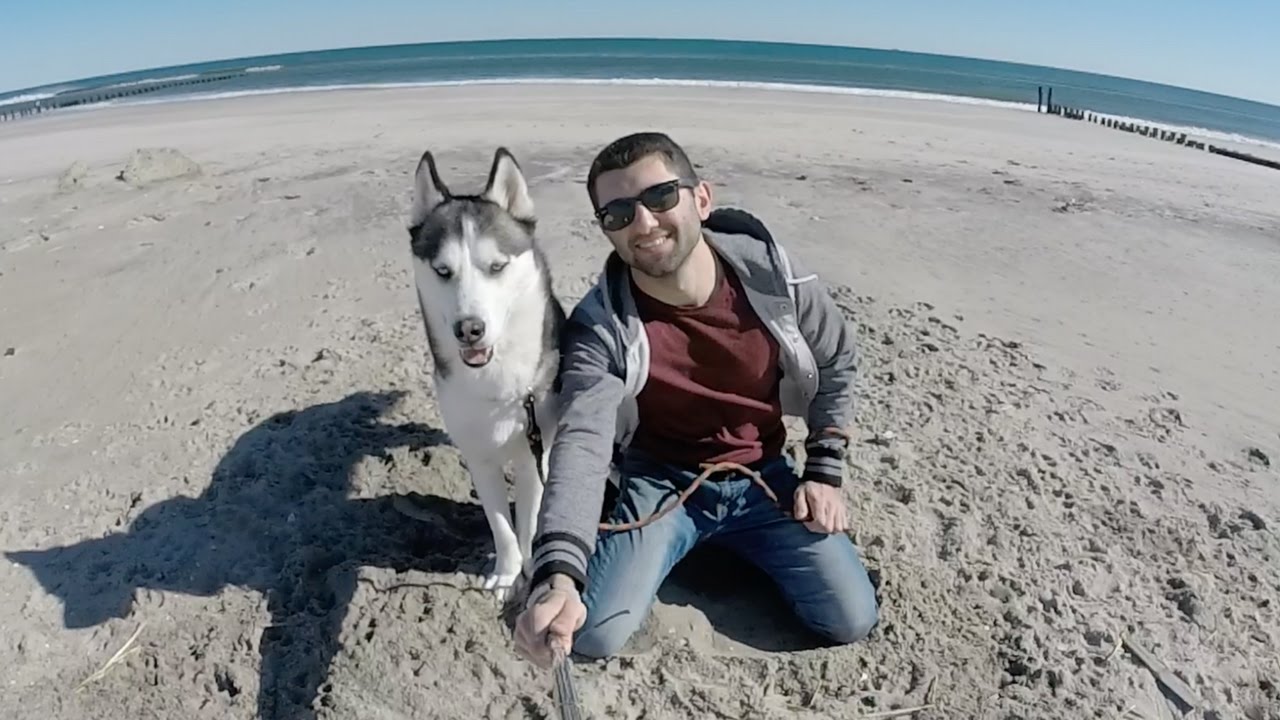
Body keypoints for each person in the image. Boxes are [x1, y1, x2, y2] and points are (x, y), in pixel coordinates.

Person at [513, 131, 879, 668]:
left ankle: (728, 548)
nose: (643, 223)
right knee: (594, 635)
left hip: (764, 478)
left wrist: (823, 470)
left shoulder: (778, 284)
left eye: (660, 197)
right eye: (617, 214)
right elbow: (583, 442)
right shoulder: (601, 327)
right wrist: (558, 575)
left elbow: (837, 361)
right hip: (660, 486)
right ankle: (675, 547)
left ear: (701, 198)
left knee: (849, 619)